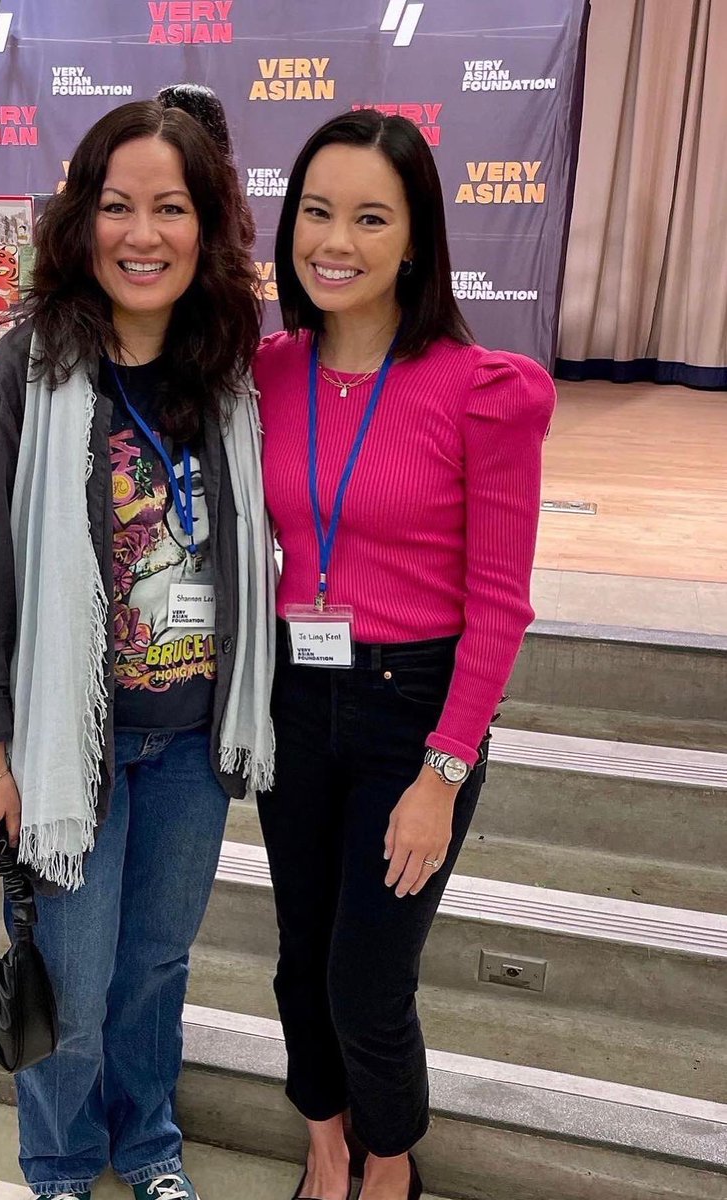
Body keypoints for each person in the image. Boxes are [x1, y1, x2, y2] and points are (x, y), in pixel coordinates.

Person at [0, 93, 276, 1200]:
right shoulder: (20, 378)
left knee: (154, 972)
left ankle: (149, 1145)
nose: (142, 233)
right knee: (70, 985)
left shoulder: (224, 373)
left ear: (205, 224)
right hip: (63, 755)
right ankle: (64, 1162)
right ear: (79, 222)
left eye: (169, 207)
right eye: (116, 205)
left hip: (186, 741)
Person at [253, 109, 556, 1200]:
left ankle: (390, 1152)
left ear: (415, 237)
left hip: (412, 710)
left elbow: (499, 604)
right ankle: (323, 1139)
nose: (336, 240)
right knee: (298, 959)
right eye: (317, 213)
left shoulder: (484, 389)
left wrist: (444, 769)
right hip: (292, 699)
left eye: (369, 217)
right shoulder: (265, 373)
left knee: (367, 977)